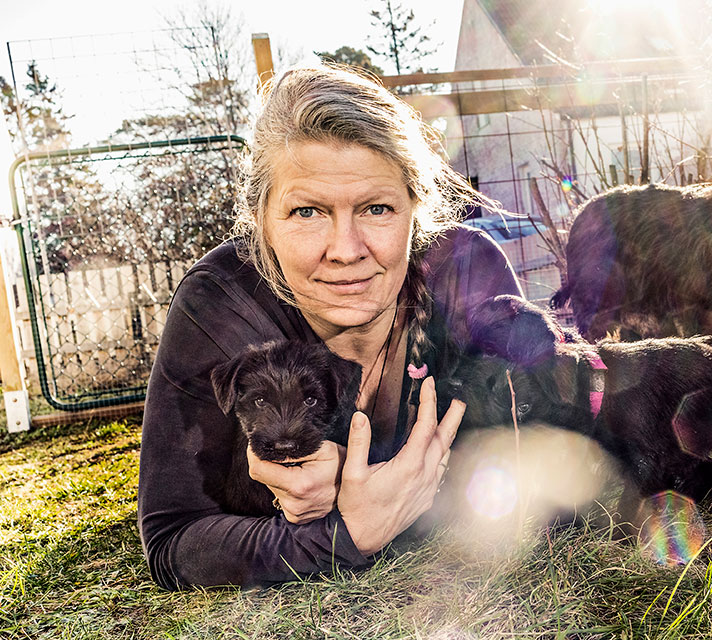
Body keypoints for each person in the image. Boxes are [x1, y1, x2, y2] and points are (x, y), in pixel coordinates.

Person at [137, 64, 523, 590]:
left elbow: (530, 460)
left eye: (378, 208)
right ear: (262, 220)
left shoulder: (467, 277)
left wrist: (374, 485)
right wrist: (342, 536)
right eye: (307, 212)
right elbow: (172, 538)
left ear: (418, 209)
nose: (345, 250)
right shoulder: (221, 305)